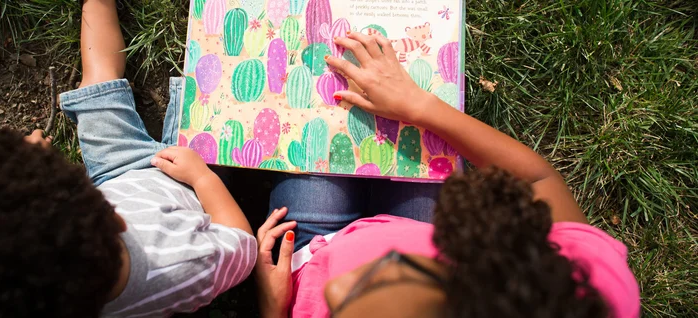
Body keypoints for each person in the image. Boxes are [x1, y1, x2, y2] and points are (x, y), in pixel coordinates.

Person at [253, 31, 640, 318]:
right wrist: (418, 104)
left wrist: (275, 312)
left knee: (312, 118)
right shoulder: (586, 286)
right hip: (418, 227)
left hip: (304, 263)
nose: (338, 287)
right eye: (394, 273)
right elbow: (540, 181)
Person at [0, 0, 256, 317]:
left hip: (118, 174)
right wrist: (201, 177)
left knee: (99, 80)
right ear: (114, 216)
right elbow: (242, 243)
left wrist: (29, 165)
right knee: (216, 99)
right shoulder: (182, 266)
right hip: (190, 188)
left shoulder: (57, 284)